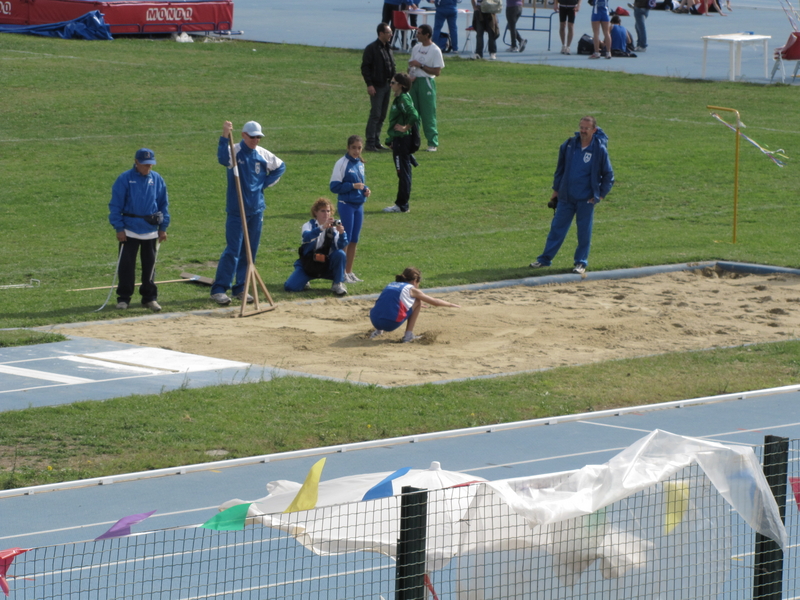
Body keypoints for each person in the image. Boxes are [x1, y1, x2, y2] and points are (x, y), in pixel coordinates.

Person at [211, 120, 286, 305]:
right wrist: (224, 135)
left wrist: (264, 185)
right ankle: (220, 289)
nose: (256, 140)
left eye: (258, 137)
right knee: (233, 249)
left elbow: (280, 166)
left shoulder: (262, 154)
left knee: (250, 250)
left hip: (256, 209)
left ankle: (241, 287)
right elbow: (222, 159)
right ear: (244, 135)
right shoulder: (234, 150)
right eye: (252, 137)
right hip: (237, 209)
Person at [529, 116, 614, 275]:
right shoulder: (569, 145)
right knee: (556, 229)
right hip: (566, 197)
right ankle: (544, 260)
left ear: (594, 130)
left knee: (583, 233)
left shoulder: (599, 149)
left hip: (585, 200)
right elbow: (560, 169)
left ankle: (581, 263)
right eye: (581, 127)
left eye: (586, 128)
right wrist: (556, 190)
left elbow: (609, 175)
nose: (582, 130)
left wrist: (600, 196)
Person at [108, 148, 170, 312]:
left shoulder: (157, 179)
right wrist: (119, 227)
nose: (148, 168)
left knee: (150, 266)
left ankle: (149, 298)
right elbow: (115, 206)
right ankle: (123, 298)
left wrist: (163, 228)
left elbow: (164, 204)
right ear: (136, 162)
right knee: (126, 267)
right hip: (129, 230)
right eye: (145, 164)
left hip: (150, 230)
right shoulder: (125, 179)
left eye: (150, 164)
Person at [369, 267, 460, 342]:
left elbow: (386, 302)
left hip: (374, 321)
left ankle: (378, 332)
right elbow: (435, 302)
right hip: (389, 324)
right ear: (416, 280)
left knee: (386, 304)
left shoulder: (391, 284)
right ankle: (408, 336)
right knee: (418, 301)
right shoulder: (412, 289)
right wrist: (450, 304)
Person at [284, 198, 349, 296]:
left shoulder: (334, 227)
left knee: (340, 254)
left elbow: (341, 245)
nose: (326, 214)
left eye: (328, 211)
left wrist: (341, 233)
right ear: (315, 212)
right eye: (322, 211)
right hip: (309, 264)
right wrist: (322, 228)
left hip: (326, 263)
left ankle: (337, 283)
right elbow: (307, 237)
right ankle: (305, 280)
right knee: (290, 287)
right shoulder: (308, 225)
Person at [330, 135, 370, 283]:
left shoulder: (360, 163)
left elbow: (360, 183)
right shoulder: (341, 163)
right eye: (354, 148)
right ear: (348, 147)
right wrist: (352, 187)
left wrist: (366, 190)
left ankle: (349, 271)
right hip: (346, 205)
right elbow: (334, 187)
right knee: (345, 239)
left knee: (354, 239)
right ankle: (342, 273)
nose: (356, 151)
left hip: (358, 205)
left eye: (359, 148)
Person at [382, 73, 420, 214]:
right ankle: (402, 204)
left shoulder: (403, 99)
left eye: (393, 83)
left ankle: (402, 205)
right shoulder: (401, 98)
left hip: (402, 141)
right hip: (399, 140)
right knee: (404, 173)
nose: (390, 85)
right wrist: (391, 139)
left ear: (401, 85)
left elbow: (414, 115)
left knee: (402, 173)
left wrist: (405, 128)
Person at [408, 23, 445, 152]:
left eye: (419, 33)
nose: (417, 35)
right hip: (414, 82)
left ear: (426, 35)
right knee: (413, 113)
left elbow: (437, 72)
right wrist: (410, 73)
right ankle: (414, 141)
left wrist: (421, 66)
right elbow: (411, 64)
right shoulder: (416, 48)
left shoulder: (435, 50)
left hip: (426, 83)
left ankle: (432, 142)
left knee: (428, 114)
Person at [362, 23, 396, 153]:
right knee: (375, 114)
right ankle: (370, 142)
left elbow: (392, 65)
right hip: (377, 86)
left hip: (387, 85)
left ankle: (376, 141)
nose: (391, 35)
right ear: (381, 33)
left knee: (382, 115)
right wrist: (369, 84)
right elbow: (365, 68)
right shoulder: (371, 48)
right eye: (388, 32)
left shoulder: (388, 48)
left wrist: (394, 82)